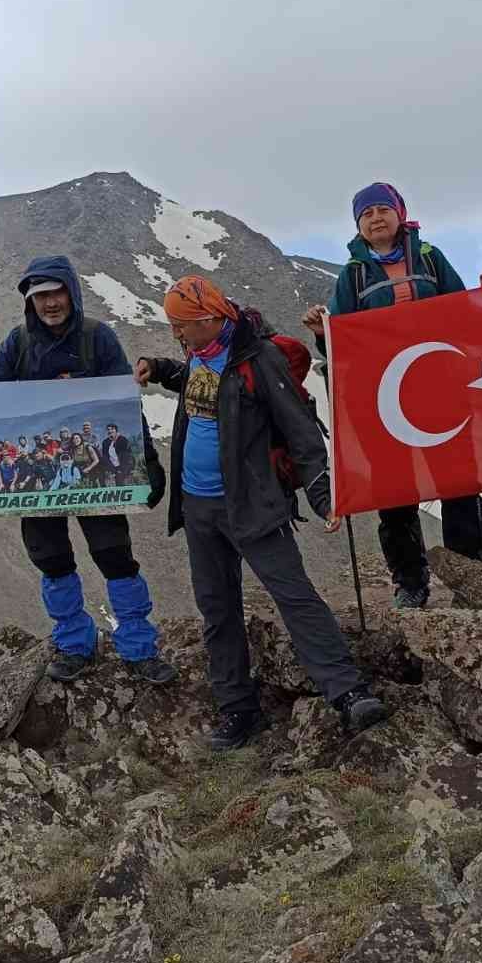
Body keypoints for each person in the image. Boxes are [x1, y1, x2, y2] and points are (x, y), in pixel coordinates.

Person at [136, 274, 389, 749]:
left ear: (211, 319)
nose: (176, 333)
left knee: (293, 595)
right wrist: (160, 366)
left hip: (251, 505)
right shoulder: (200, 354)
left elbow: (301, 431)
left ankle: (348, 692)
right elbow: (197, 385)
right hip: (198, 507)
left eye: (182, 325)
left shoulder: (259, 359)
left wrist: (321, 496)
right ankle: (238, 710)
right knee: (217, 609)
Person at [0, 255, 175, 684]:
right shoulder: (18, 344)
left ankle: (138, 647)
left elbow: (124, 401)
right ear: (30, 302)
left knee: (114, 556)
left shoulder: (97, 339)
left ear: (71, 292)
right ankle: (74, 643)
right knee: (51, 558)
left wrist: (147, 458)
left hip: (95, 476)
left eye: (56, 292)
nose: (49, 303)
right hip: (40, 478)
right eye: (40, 296)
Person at [303, 181, 482, 609]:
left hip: (440, 388)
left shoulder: (430, 257)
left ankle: (471, 573)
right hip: (386, 399)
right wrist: (322, 332)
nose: (375, 219)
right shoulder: (352, 274)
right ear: (358, 225)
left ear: (400, 214)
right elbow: (342, 340)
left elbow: (461, 309)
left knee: (457, 479)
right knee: (395, 489)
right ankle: (410, 581)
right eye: (366, 214)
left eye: (382, 210)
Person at [101, 421, 135, 486]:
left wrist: (121, 469)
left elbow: (126, 456)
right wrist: (112, 469)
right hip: (112, 466)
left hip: (124, 465)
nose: (110, 431)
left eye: (112, 429)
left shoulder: (122, 440)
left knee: (120, 479)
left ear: (116, 430)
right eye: (108, 429)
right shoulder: (105, 442)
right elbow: (105, 457)